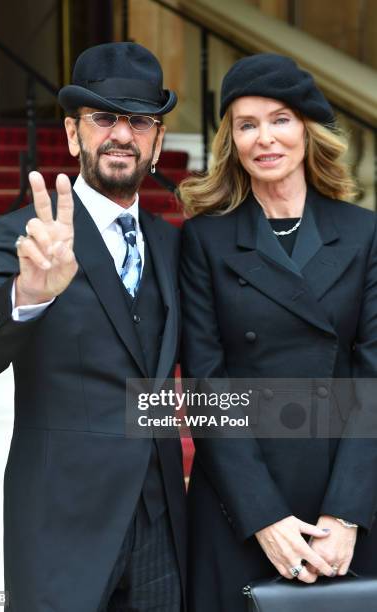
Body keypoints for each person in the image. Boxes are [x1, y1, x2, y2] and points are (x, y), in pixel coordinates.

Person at [0, 42, 186, 612]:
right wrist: (28, 294)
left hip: (161, 529)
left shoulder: (175, 245)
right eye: (104, 118)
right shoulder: (22, 234)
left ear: (158, 140)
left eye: (140, 122)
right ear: (74, 135)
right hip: (61, 526)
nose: (122, 136)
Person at [178, 53, 377, 611]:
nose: (264, 138)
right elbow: (206, 388)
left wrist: (345, 513)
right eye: (247, 124)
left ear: (308, 129)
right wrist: (263, 516)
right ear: (232, 140)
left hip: (346, 507)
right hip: (240, 507)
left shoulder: (364, 234)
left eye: (281, 118)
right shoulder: (205, 241)